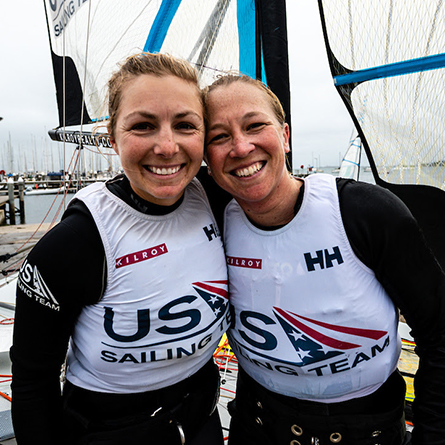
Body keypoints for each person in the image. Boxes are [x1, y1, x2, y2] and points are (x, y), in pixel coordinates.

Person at [203, 74, 445, 445]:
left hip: (369, 431)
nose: (240, 146)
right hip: (259, 425)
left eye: (255, 125)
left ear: (284, 135)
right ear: (206, 156)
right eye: (219, 137)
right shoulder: (210, 216)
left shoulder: (366, 213)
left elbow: (439, 331)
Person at [10, 52, 230, 445]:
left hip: (201, 419)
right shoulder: (76, 244)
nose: (167, 146)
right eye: (143, 126)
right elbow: (32, 381)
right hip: (110, 431)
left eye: (185, 125)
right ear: (112, 136)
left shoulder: (219, 202)